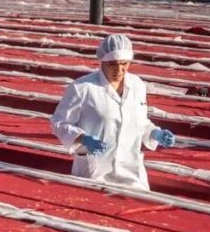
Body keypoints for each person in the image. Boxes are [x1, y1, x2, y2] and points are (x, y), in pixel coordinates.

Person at [50, 34, 175, 191]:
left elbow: (140, 122)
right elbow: (59, 123)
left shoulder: (137, 85)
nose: (119, 70)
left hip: (132, 173)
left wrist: (155, 133)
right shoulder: (82, 88)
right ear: (102, 62)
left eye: (124, 64)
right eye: (113, 65)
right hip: (94, 172)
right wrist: (83, 138)